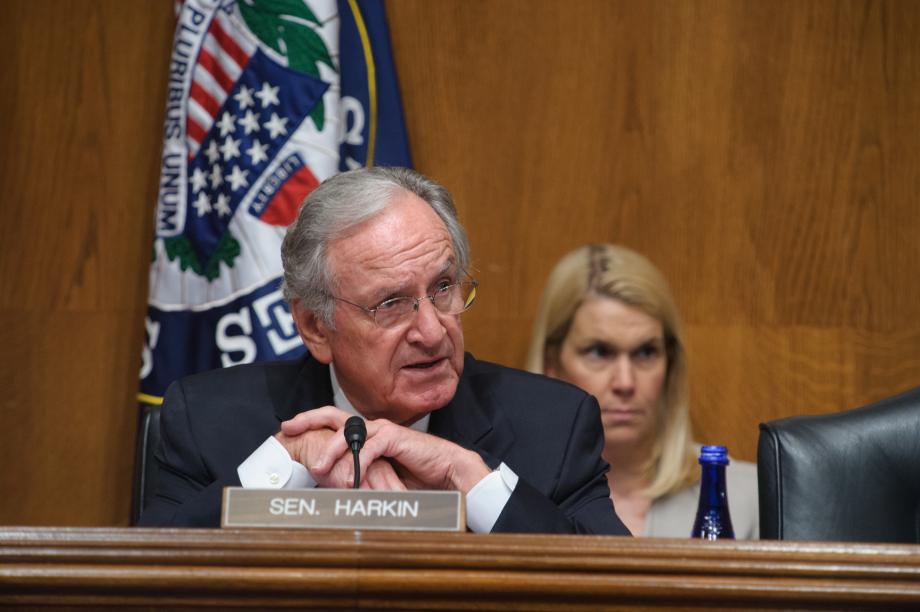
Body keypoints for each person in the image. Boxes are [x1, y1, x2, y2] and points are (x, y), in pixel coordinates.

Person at [139, 167, 630, 536]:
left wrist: (469, 478)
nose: (433, 332)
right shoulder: (210, 421)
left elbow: (617, 595)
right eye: (391, 304)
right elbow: (150, 587)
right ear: (315, 327)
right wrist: (287, 464)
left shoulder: (554, 426)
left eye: (443, 287)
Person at [525, 244, 758, 538]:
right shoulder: (504, 495)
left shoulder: (747, 498)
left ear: (670, 364)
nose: (625, 382)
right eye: (599, 352)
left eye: (646, 352)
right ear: (551, 363)